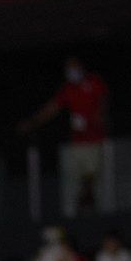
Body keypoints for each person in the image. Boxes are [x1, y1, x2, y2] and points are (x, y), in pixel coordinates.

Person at [20, 56, 109, 212]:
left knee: (94, 176)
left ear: (81, 68)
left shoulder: (94, 81)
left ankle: (95, 204)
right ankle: (79, 205)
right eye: (68, 69)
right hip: (77, 142)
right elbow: (53, 108)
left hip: (95, 139)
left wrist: (99, 115)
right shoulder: (68, 89)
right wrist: (33, 121)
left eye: (73, 68)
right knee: (77, 177)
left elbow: (102, 101)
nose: (71, 72)